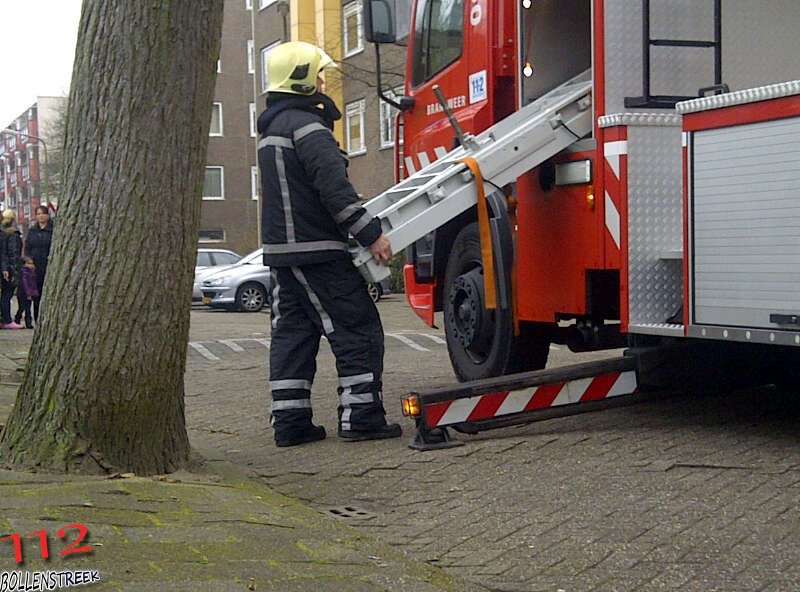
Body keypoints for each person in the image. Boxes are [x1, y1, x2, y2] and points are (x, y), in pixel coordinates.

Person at [257, 41, 400, 447]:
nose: (323, 81)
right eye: (318, 74)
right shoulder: (307, 127)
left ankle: (290, 422)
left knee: (293, 335)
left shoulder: (272, 130)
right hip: (318, 251)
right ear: (301, 79)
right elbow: (334, 189)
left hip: (283, 256)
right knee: (357, 327)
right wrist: (370, 234)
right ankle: (361, 416)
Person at [23, 205, 53, 323]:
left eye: (43, 213)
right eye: (38, 214)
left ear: (47, 215)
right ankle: (37, 320)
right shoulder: (32, 231)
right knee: (36, 295)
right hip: (35, 267)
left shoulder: (53, 229)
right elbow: (27, 248)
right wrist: (28, 260)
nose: (41, 216)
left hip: (48, 265)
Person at [0, 210, 23, 330]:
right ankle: (7, 320)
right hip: (9, 268)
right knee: (7, 294)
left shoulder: (3, 232)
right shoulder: (13, 234)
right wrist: (14, 270)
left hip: (4, 267)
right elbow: (13, 253)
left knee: (5, 294)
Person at [15, 256, 38, 329]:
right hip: (23, 294)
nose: (31, 265)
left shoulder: (31, 272)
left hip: (29, 293)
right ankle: (18, 320)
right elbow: (25, 284)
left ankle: (28, 323)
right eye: (29, 263)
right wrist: (28, 294)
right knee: (22, 308)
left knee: (27, 309)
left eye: (32, 264)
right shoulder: (24, 272)